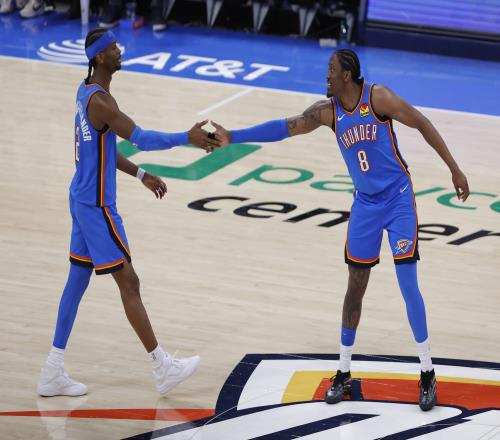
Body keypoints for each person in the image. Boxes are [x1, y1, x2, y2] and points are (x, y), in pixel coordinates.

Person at [211, 49, 469, 411]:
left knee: (408, 284)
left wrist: (454, 169)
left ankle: (427, 371)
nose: (326, 75)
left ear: (347, 74)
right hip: (365, 205)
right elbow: (285, 128)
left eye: (331, 70)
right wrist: (233, 136)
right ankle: (344, 371)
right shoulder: (327, 111)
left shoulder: (378, 97)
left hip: (397, 199)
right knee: (355, 286)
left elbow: (421, 122)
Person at [37, 28, 220, 397]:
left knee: (77, 281)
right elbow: (143, 138)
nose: (119, 50)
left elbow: (102, 149)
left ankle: (52, 370)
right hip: (96, 206)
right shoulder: (101, 103)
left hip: (81, 198)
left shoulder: (86, 90)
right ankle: (161, 366)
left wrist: (140, 174)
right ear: (99, 57)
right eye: (113, 47)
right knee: (129, 282)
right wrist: (186, 138)